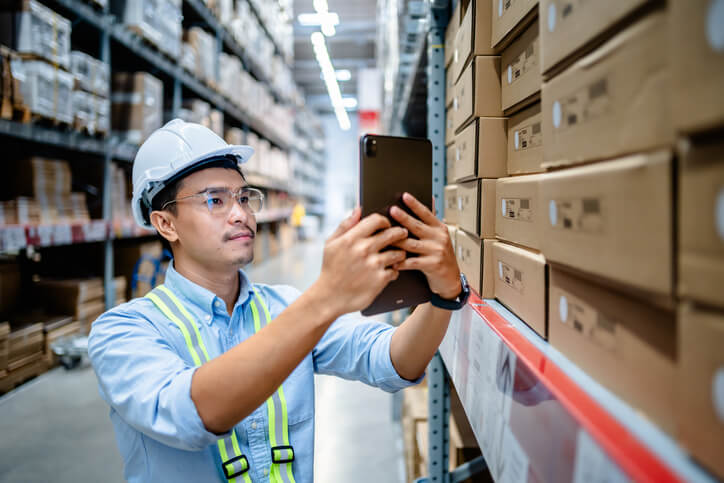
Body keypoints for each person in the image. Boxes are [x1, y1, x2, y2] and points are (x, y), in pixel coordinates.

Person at [88, 120, 469, 483]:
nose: (240, 214)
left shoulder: (283, 307)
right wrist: (326, 297)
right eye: (215, 200)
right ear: (165, 224)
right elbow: (194, 414)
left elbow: (394, 360)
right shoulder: (122, 332)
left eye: (243, 197)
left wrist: (444, 294)